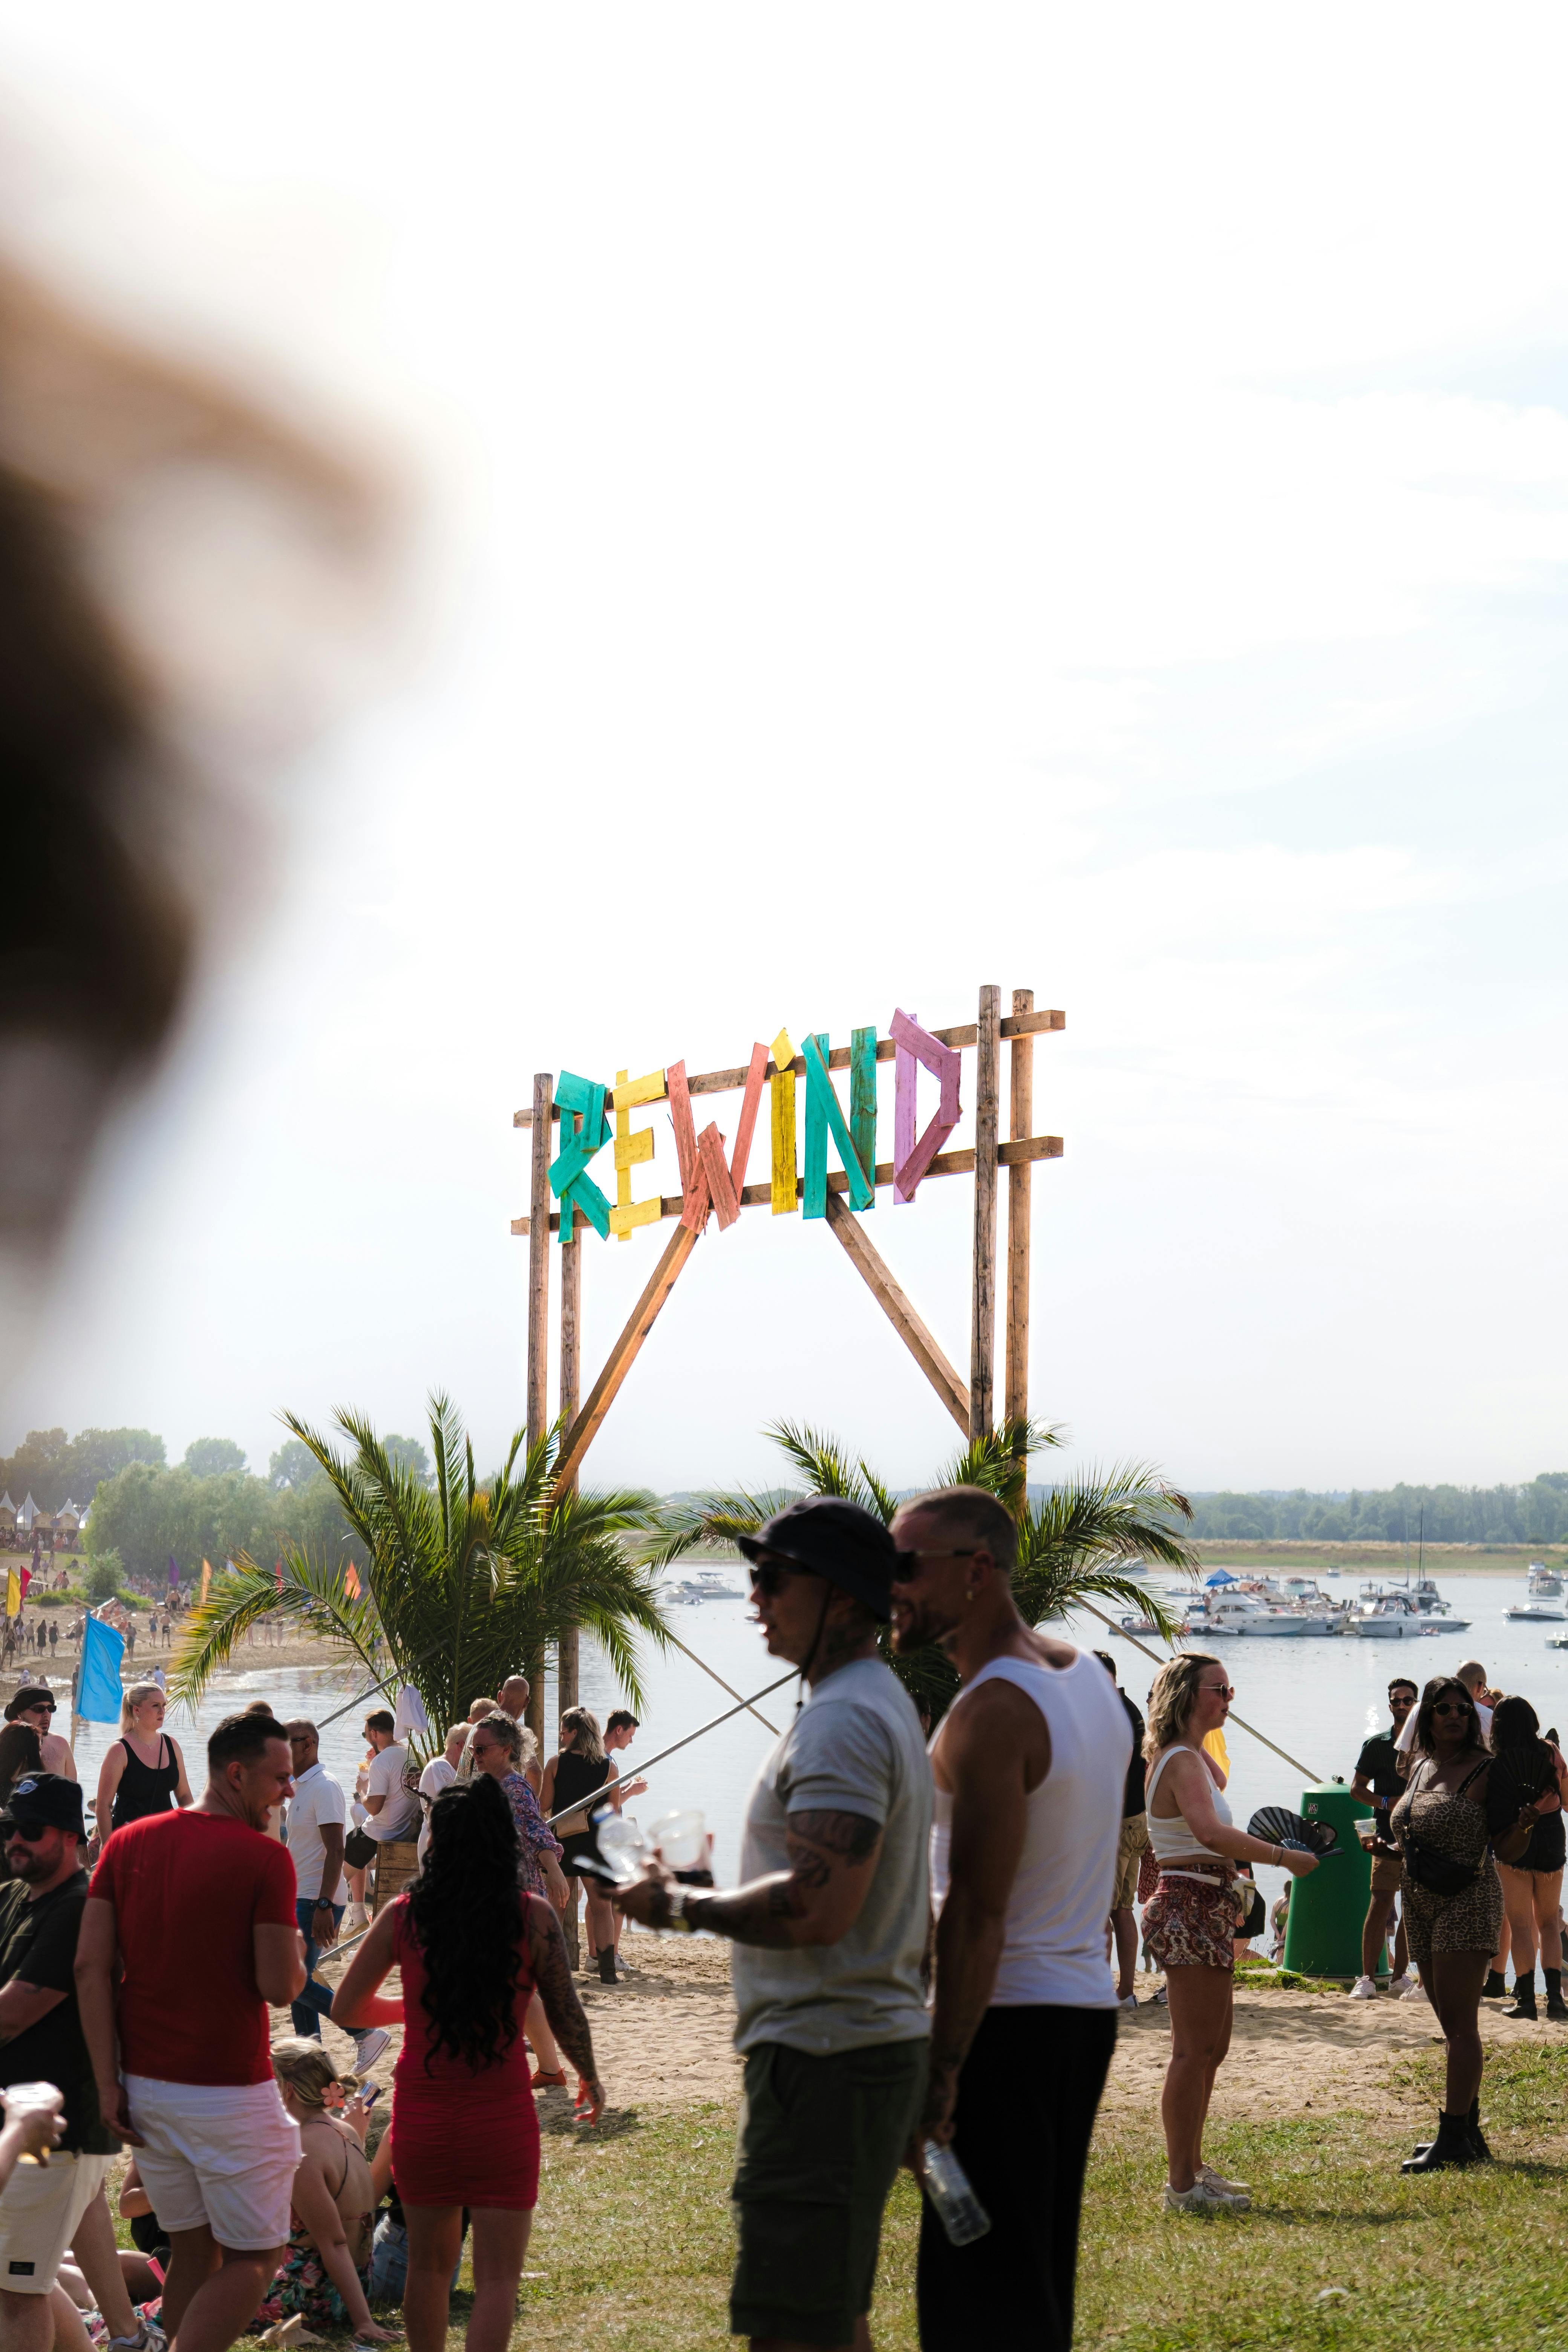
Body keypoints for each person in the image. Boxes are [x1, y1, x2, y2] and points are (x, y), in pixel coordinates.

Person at [615, 1496, 931, 2352]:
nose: (754, 1595)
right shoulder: (868, 1703)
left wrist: (678, 1905)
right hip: (852, 2050)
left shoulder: (844, 1719)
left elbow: (821, 1907)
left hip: (824, 2060)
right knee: (831, 2317)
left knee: (793, 2331)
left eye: (773, 1576)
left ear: (839, 1594)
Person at [887, 1499, 1128, 2350]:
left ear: (977, 1570)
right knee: (1032, 2279)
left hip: (1005, 2023)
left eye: (907, 1566)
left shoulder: (991, 1711)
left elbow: (977, 1912)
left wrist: (939, 2074)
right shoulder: (1087, 1680)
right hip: (1078, 2012)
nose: (891, 1587)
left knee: (978, 2303)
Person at [332, 1775, 604, 2352]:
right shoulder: (531, 1916)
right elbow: (566, 2010)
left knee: (429, 2272)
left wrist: (416, 2006)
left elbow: (346, 2007)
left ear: (438, 1842)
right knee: (498, 2281)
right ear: (502, 1841)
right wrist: (589, 2075)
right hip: (501, 2121)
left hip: (424, 2120)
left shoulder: (405, 1915)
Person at [76, 1711, 307, 2352]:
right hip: (227, 2088)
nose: (289, 1790)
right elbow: (280, 1987)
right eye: (280, 1779)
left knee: (195, 2251)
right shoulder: (266, 1858)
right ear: (236, 1774)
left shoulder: (127, 1843)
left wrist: (107, 2084)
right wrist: (298, 1951)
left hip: (145, 2086)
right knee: (257, 2257)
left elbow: (91, 1967)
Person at [1140, 1655, 1319, 2213]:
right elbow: (1210, 1833)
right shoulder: (1179, 1759)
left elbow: (1214, 1804)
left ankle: (1194, 2168)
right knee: (1192, 2051)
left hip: (1205, 1903)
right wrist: (1284, 1857)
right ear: (1188, 1696)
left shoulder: (1187, 1755)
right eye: (1219, 1689)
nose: (1229, 1698)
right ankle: (1181, 2185)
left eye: (1230, 1688)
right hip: (1187, 1903)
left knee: (1212, 2049)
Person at [0, 1773, 158, 2352]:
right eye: (9, 1828)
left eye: (31, 1830)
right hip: (29, 2122)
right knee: (23, 2277)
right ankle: (129, 2338)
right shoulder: (15, 1897)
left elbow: (14, 2013)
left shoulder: (79, 1909)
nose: (15, 1841)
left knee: (17, 2289)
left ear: (71, 1835)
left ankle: (129, 2337)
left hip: (58, 2128)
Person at [1390, 1676, 1536, 2171]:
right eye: (1444, 1709)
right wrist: (1388, 1847)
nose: (1454, 1715)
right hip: (1419, 1902)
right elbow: (1412, 1829)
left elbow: (1507, 1847)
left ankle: (1453, 2138)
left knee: (1461, 2027)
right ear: (1427, 1717)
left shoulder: (1486, 1769)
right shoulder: (1420, 1765)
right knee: (1448, 2022)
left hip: (1467, 1901)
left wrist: (1524, 1823)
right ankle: (1468, 2132)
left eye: (1462, 1709)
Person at [254, 2042, 391, 2343]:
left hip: (308, 2296)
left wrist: (364, 2323)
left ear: (287, 2090)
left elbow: (335, 2243)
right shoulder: (347, 2130)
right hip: (352, 2286)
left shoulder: (302, 2149)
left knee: (190, 2299)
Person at [467, 1715, 572, 2088]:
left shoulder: (514, 1788)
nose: (476, 1755)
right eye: (473, 1749)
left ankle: (539, 2068)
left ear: (507, 1750)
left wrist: (555, 1871)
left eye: (483, 1749)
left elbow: (537, 1832)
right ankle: (548, 2069)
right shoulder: (487, 1787)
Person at [283, 1722, 389, 2075]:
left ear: (308, 1745)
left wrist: (325, 1905)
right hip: (304, 1896)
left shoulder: (325, 1786)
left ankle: (364, 2032)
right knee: (300, 1983)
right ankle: (310, 2061)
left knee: (294, 1981)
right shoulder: (300, 1787)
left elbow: (337, 1849)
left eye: (286, 1742)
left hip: (317, 1900)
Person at [1485, 1695, 1568, 2021]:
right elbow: (1567, 1801)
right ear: (1533, 1721)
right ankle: (1556, 2001)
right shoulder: (1551, 1752)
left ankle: (1527, 2001)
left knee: (1520, 1923)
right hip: (1551, 1835)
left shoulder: (1495, 1760)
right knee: (1548, 1922)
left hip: (1514, 1835)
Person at [539, 1709, 623, 1987]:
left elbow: (544, 1805)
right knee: (602, 1908)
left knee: (557, 1906)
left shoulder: (556, 1763)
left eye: (563, 1732)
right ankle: (608, 1972)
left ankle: (550, 1968)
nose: (561, 1736)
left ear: (575, 1733)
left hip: (562, 1843)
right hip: (595, 1845)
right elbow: (614, 1813)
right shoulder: (609, 1767)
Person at [1348, 1678, 1418, 1998]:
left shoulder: (1429, 1745)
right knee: (1380, 1904)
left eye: (1408, 1700)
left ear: (1417, 1704)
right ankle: (1366, 1979)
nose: (1402, 1705)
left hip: (1422, 1838)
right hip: (1387, 1836)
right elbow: (1357, 1789)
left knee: (1413, 1909)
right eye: (1397, 1701)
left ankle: (1400, 1977)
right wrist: (1387, 1802)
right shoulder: (1377, 1745)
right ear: (1390, 1706)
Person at [1093, 1651, 1148, 2010]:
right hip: (1137, 1820)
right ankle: (1125, 1992)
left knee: (1103, 1911)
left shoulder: (1112, 1714)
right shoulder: (1131, 1709)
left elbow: (1117, 1771)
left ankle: (1100, 1991)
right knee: (1122, 1909)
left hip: (1117, 1822)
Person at [93, 1685, 191, 1846]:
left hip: (167, 1840)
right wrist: (109, 1847)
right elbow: (103, 1806)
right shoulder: (119, 1750)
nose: (162, 1711)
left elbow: (185, 1796)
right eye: (156, 1706)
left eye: (164, 1705)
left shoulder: (171, 1745)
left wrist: (194, 1832)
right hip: (131, 1842)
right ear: (137, 1710)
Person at [359, 1711, 420, 1853]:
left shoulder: (382, 1761)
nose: (366, 1739)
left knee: (343, 1857)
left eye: (365, 1735)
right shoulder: (415, 1753)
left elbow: (374, 1809)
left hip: (383, 1834)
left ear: (374, 1734)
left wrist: (362, 1789)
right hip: (409, 1833)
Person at [416, 1724, 469, 1865]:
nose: (474, 1756)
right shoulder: (440, 1766)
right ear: (462, 1746)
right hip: (436, 1841)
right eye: (472, 1749)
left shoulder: (451, 1769)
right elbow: (453, 1806)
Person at [3, 1694, 75, 1785]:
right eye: (39, 1709)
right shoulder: (5, 1746)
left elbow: (73, 1789)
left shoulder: (61, 1744)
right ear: (20, 1715)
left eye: (51, 1709)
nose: (46, 1715)